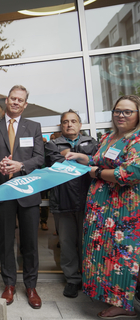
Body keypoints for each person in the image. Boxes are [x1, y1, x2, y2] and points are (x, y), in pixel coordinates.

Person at [66, 95, 140, 319]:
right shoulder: (108, 137)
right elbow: (99, 160)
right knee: (105, 252)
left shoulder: (136, 139)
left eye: (128, 111)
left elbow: (131, 173)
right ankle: (109, 296)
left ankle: (124, 305)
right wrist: (82, 157)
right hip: (101, 209)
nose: (121, 115)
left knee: (123, 256)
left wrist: (96, 173)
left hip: (124, 210)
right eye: (118, 110)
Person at [0, 85, 44, 309]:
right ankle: (9, 285)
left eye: (20, 100)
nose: (16, 102)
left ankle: (31, 286)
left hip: (28, 192)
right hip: (3, 191)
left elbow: (39, 158)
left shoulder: (34, 127)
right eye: (12, 98)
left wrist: (21, 165)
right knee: (5, 241)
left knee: (30, 244)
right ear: (7, 100)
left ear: (25, 104)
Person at [44, 109, 97, 298]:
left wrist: (72, 154)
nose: (69, 124)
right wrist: (84, 159)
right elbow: (60, 165)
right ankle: (73, 280)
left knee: (88, 243)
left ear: (80, 125)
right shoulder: (52, 145)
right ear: (61, 125)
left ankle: (89, 280)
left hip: (88, 201)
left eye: (73, 121)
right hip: (62, 202)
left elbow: (96, 164)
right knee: (66, 244)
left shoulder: (93, 143)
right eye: (65, 122)